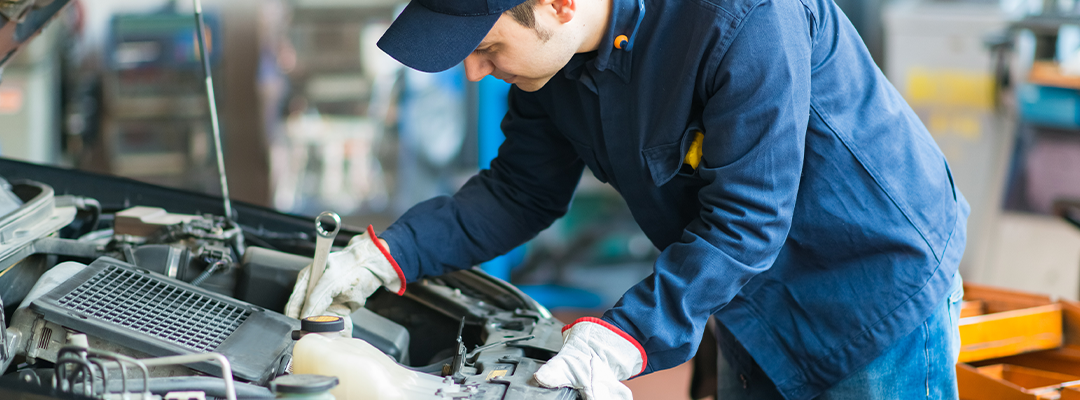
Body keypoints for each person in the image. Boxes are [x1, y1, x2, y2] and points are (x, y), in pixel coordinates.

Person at [285, 0, 969, 398]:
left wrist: (625, 336)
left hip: (871, 286)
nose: (473, 72)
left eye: (489, 47)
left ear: (557, 4)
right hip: (747, 299)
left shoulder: (741, 18)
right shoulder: (550, 69)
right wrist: (385, 257)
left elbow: (749, 218)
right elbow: (520, 190)